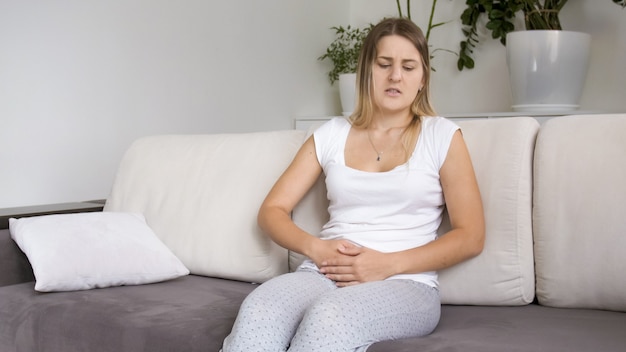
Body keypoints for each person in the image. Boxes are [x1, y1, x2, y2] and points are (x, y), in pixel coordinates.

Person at [221, 17, 484, 352]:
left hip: (405, 283)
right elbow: (272, 210)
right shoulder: (330, 134)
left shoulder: (442, 136)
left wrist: (388, 263)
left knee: (329, 318)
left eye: (408, 66)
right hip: (322, 273)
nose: (395, 76)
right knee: (260, 309)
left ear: (422, 78)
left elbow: (471, 236)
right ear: (366, 72)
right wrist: (317, 249)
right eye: (384, 64)